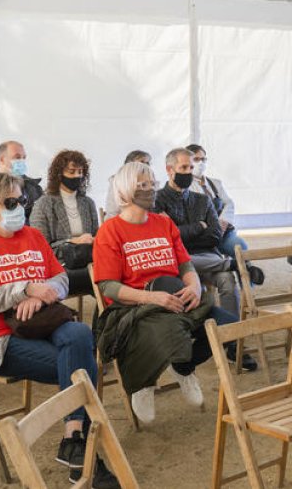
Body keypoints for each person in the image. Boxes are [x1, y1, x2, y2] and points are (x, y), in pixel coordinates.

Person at [0, 171, 116, 486]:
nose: (19, 207)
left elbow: (61, 279)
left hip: (44, 321)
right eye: (10, 202)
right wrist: (23, 289)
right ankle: (82, 452)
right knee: (81, 365)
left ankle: (73, 437)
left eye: (22, 200)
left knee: (80, 335)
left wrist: (38, 297)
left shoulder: (33, 236)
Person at [92, 161, 241, 423]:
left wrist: (194, 286)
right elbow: (108, 286)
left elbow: (185, 264)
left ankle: (184, 367)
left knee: (228, 325)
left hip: (174, 296)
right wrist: (151, 297)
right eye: (142, 185)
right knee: (167, 331)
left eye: (152, 184)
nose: (150, 190)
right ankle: (142, 383)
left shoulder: (164, 223)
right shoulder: (110, 231)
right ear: (125, 190)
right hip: (134, 304)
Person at [153, 149, 256, 371]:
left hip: (208, 255)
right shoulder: (158, 200)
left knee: (228, 280)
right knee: (193, 259)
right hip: (178, 260)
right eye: (184, 168)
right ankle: (233, 263)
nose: (189, 172)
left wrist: (189, 231)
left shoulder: (202, 199)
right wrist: (198, 227)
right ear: (169, 170)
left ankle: (232, 342)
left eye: (191, 168)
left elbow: (215, 235)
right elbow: (169, 240)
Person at [29, 150, 98, 298]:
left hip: (88, 260)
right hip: (60, 264)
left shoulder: (88, 203)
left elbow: (97, 235)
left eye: (80, 172)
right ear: (59, 174)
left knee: (111, 273)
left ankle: (107, 315)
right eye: (72, 172)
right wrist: (71, 241)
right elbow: (40, 247)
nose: (77, 176)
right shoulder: (44, 204)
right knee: (100, 276)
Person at [185, 143, 249, 260]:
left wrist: (223, 221)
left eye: (203, 159)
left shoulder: (215, 183)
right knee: (215, 262)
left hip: (223, 233)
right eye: (196, 159)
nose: (201, 163)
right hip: (202, 237)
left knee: (241, 247)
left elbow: (229, 203)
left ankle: (248, 278)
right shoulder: (184, 187)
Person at [105, 149, 152, 217]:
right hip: (121, 222)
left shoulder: (151, 182)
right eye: (142, 162)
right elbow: (112, 211)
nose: (146, 165)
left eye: (148, 163)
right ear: (129, 165)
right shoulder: (116, 182)